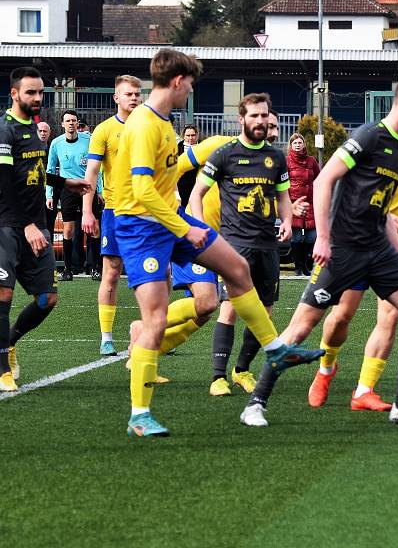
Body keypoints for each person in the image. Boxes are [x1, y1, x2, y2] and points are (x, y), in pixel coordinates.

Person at [114, 49, 322, 437]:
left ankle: (275, 350)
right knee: (155, 322)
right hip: (143, 229)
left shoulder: (162, 121)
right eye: (191, 83)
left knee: (236, 269)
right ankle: (139, 415)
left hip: (170, 220)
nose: (191, 90)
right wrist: (183, 226)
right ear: (178, 81)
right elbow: (142, 189)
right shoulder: (143, 125)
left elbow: (168, 171)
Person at [239, 76, 398, 428]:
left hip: (379, 251)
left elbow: (380, 214)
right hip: (343, 250)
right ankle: (256, 403)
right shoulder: (367, 136)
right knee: (303, 326)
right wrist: (323, 237)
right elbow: (323, 181)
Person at [307, 121, 398, 411]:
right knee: (343, 314)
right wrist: (381, 216)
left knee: (391, 316)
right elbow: (347, 186)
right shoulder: (376, 141)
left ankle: (363, 390)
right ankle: (326, 368)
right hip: (360, 235)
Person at [189, 93, 295, 397]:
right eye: (254, 116)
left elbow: (283, 197)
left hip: (267, 246)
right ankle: (217, 377)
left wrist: (286, 221)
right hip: (235, 245)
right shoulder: (224, 154)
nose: (260, 121)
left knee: (266, 310)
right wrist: (200, 228)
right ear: (242, 119)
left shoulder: (276, 157)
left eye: (264, 116)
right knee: (230, 308)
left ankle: (242, 370)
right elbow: (196, 195)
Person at [0, 66, 90, 391]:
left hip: (34, 227)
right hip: (8, 228)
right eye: (31, 93)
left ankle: (9, 342)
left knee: (47, 299)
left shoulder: (39, 131)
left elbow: (35, 173)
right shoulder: (5, 131)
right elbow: (6, 182)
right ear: (15, 94)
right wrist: (26, 225)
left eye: (41, 92)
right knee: (4, 293)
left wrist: (66, 182)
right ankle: (1, 370)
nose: (38, 98)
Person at [81, 75, 143, 356]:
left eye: (137, 93)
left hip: (148, 213)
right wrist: (87, 211)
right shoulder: (104, 130)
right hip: (116, 212)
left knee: (157, 273)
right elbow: (91, 174)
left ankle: (152, 332)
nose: (134, 97)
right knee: (112, 272)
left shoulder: (151, 126)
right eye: (128, 94)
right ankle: (106, 336)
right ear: (116, 97)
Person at [46, 110, 94, 281]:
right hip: (68, 190)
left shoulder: (89, 140)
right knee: (68, 229)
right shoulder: (56, 143)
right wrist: (49, 194)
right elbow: (50, 170)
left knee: (92, 228)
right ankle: (67, 269)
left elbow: (98, 168)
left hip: (87, 187)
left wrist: (100, 189)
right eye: (68, 121)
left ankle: (94, 267)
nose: (71, 123)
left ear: (77, 123)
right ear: (62, 124)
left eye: (74, 120)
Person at [286, 132, 319, 276]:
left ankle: (307, 262)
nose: (298, 145)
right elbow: (282, 183)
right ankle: (298, 267)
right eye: (295, 143)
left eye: (300, 143)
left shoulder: (312, 161)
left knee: (312, 237)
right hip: (294, 203)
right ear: (291, 146)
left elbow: (320, 178)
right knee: (297, 237)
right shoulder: (287, 161)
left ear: (304, 144)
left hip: (311, 203)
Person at [176, 124, 199, 207]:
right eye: (188, 135)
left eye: (193, 135)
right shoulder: (177, 148)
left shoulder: (202, 147)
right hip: (181, 183)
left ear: (196, 135)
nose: (190, 138)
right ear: (183, 136)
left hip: (197, 182)